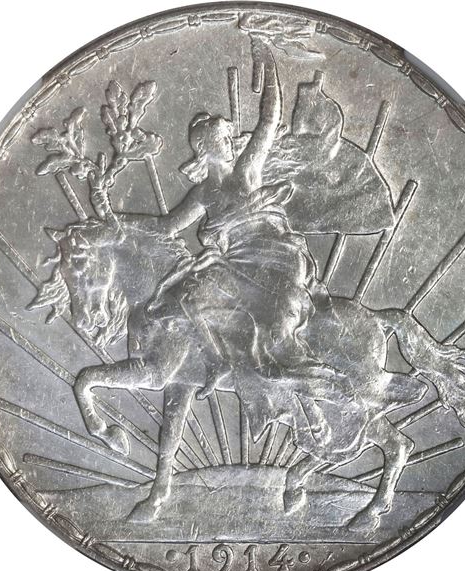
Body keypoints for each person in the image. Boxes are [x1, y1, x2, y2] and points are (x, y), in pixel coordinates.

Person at [144, 36, 344, 444]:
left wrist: (268, 61)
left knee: (269, 330)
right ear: (205, 148)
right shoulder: (203, 194)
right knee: (191, 295)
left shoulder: (246, 173)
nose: (231, 141)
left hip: (274, 259)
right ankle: (221, 361)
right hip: (235, 268)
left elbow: (269, 119)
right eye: (222, 138)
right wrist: (117, 225)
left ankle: (310, 397)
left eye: (229, 136)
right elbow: (166, 227)